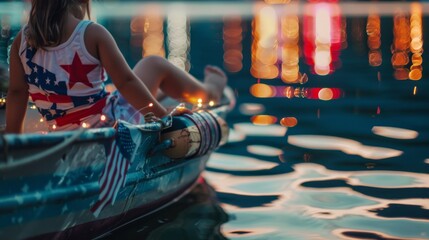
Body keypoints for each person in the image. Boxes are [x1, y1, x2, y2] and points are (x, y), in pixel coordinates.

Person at [5, 0, 227, 133]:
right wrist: (162, 118)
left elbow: (16, 92)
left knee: (137, 86)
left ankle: (162, 96)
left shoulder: (22, 40)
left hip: (59, 128)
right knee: (153, 64)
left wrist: (13, 135)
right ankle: (210, 92)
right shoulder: (91, 33)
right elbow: (126, 82)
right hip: (110, 123)